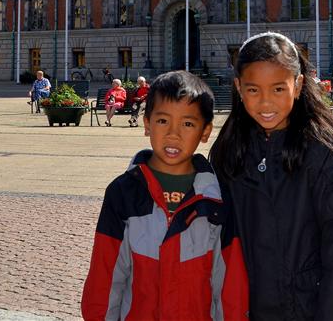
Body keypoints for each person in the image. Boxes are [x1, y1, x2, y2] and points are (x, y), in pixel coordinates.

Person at [210, 32, 333, 321]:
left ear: (297, 86)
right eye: (254, 90)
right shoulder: (228, 153)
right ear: (239, 88)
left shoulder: (324, 158)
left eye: (278, 89)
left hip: (303, 311)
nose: (266, 102)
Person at [81, 71, 248, 320]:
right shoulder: (124, 192)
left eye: (188, 124)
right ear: (147, 124)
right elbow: (105, 275)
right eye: (162, 121)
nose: (174, 134)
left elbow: (229, 281)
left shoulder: (217, 198)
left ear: (205, 131)